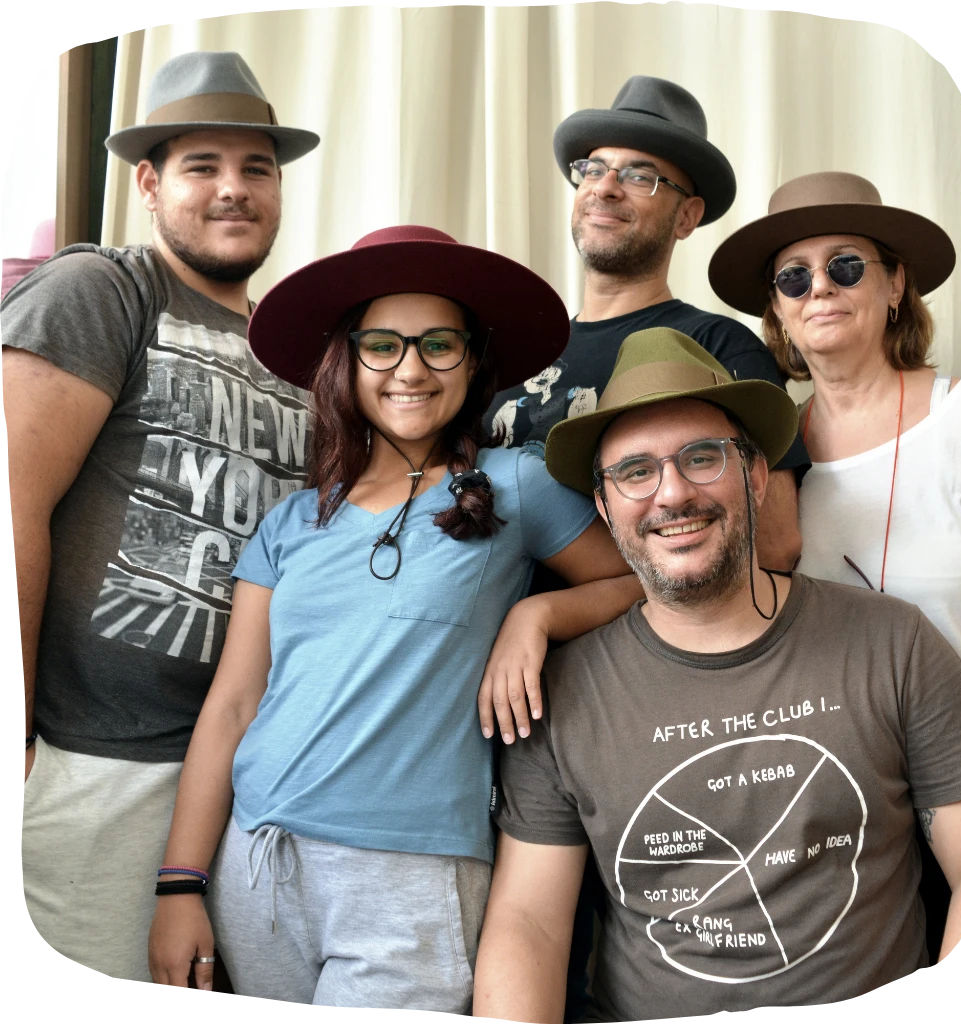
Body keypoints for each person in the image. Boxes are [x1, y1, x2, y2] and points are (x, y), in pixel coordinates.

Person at [147, 225, 641, 1010]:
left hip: (410, 874)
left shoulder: (518, 484)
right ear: (348, 360)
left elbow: (639, 582)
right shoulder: (290, 524)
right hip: (256, 861)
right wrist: (181, 884)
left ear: (473, 360)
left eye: (438, 344)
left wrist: (538, 614)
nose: (410, 369)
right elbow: (236, 703)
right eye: (382, 344)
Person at [472, 327, 961, 1020]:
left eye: (702, 457)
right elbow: (530, 924)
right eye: (635, 472)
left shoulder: (892, 642)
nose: (671, 493)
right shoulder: (560, 690)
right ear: (605, 507)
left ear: (756, 476)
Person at [6, 50, 319, 983]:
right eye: (202, 167)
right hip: (90, 759)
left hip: (243, 774)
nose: (234, 190)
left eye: (256, 168)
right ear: (148, 184)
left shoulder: (300, 353)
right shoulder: (105, 289)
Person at [708, 170, 961, 740]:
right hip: (856, 784)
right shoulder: (771, 461)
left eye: (846, 265)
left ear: (896, 284)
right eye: (793, 277)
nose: (820, 288)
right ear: (778, 309)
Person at [488, 75, 808, 572]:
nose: (606, 188)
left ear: (686, 217)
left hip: (628, 645)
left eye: (641, 176)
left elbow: (774, 544)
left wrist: (555, 612)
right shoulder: (515, 351)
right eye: (594, 169)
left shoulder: (717, 347)